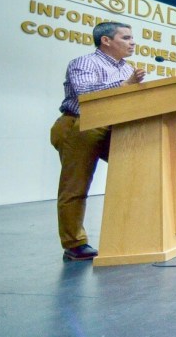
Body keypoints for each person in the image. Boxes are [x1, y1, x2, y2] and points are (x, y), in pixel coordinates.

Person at [51, 22, 146, 261]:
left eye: (132, 38)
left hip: (115, 127)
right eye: (126, 38)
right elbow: (86, 94)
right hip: (81, 125)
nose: (132, 42)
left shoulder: (128, 69)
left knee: (137, 172)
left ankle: (132, 231)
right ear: (106, 41)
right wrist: (124, 85)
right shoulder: (85, 63)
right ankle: (74, 244)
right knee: (76, 185)